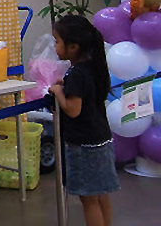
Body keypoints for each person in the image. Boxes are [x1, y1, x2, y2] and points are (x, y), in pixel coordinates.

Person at [49, 15, 119, 226]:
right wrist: (67, 84)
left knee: (88, 199)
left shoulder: (77, 73)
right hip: (101, 139)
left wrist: (58, 92)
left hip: (84, 146)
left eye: (57, 41)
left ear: (73, 47)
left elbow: (73, 109)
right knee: (101, 194)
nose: (54, 46)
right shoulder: (92, 67)